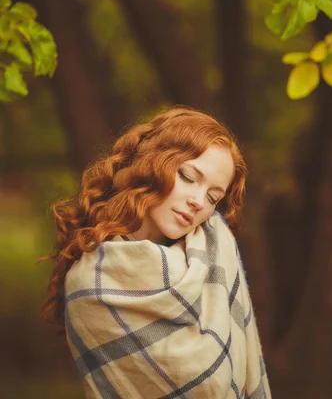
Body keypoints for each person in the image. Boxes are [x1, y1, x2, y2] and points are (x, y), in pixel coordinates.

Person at [41, 106, 272, 399]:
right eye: (188, 177)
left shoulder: (216, 249)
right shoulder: (92, 284)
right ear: (151, 164)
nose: (198, 201)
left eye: (214, 197)